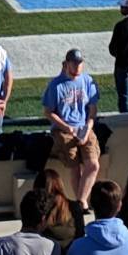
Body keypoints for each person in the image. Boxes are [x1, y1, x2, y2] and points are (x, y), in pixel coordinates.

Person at [43, 47, 103, 201]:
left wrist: (88, 127)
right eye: (74, 63)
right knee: (74, 167)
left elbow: (92, 109)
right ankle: (81, 204)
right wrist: (67, 128)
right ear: (66, 64)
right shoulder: (56, 85)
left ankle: (80, 201)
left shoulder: (88, 81)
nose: (78, 67)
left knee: (93, 165)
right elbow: (48, 112)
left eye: (80, 63)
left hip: (84, 127)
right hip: (64, 130)